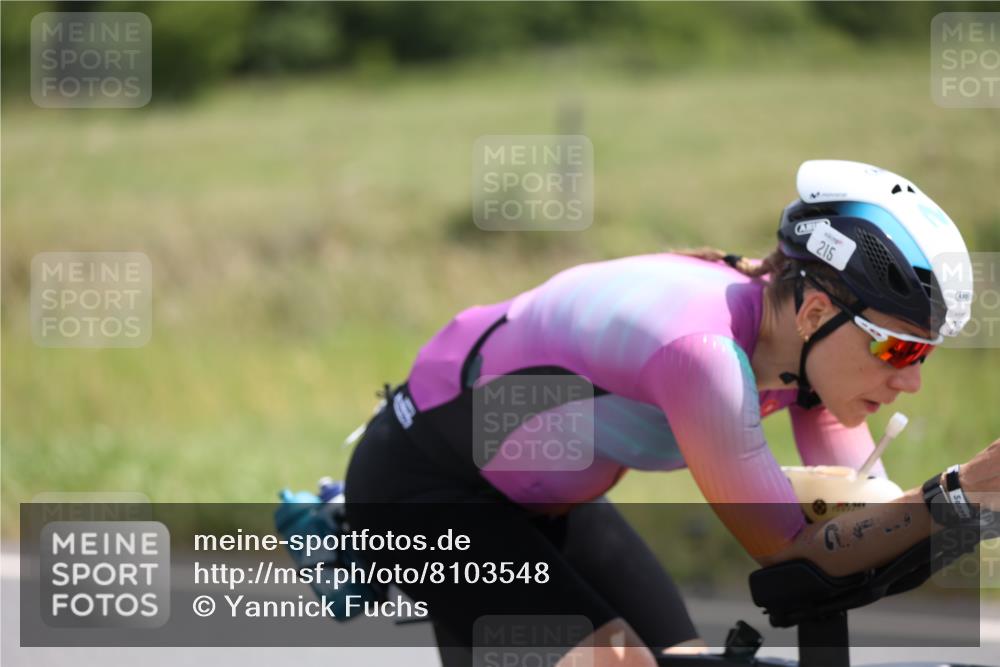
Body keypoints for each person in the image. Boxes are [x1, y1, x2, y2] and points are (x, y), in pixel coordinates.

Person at [344, 160, 999, 666]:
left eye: (926, 354)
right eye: (898, 345)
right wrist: (960, 490)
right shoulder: (703, 354)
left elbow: (869, 527)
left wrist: (975, 503)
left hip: (546, 503)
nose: (911, 379)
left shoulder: (806, 357)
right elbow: (794, 553)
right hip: (423, 487)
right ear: (816, 312)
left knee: (684, 659)